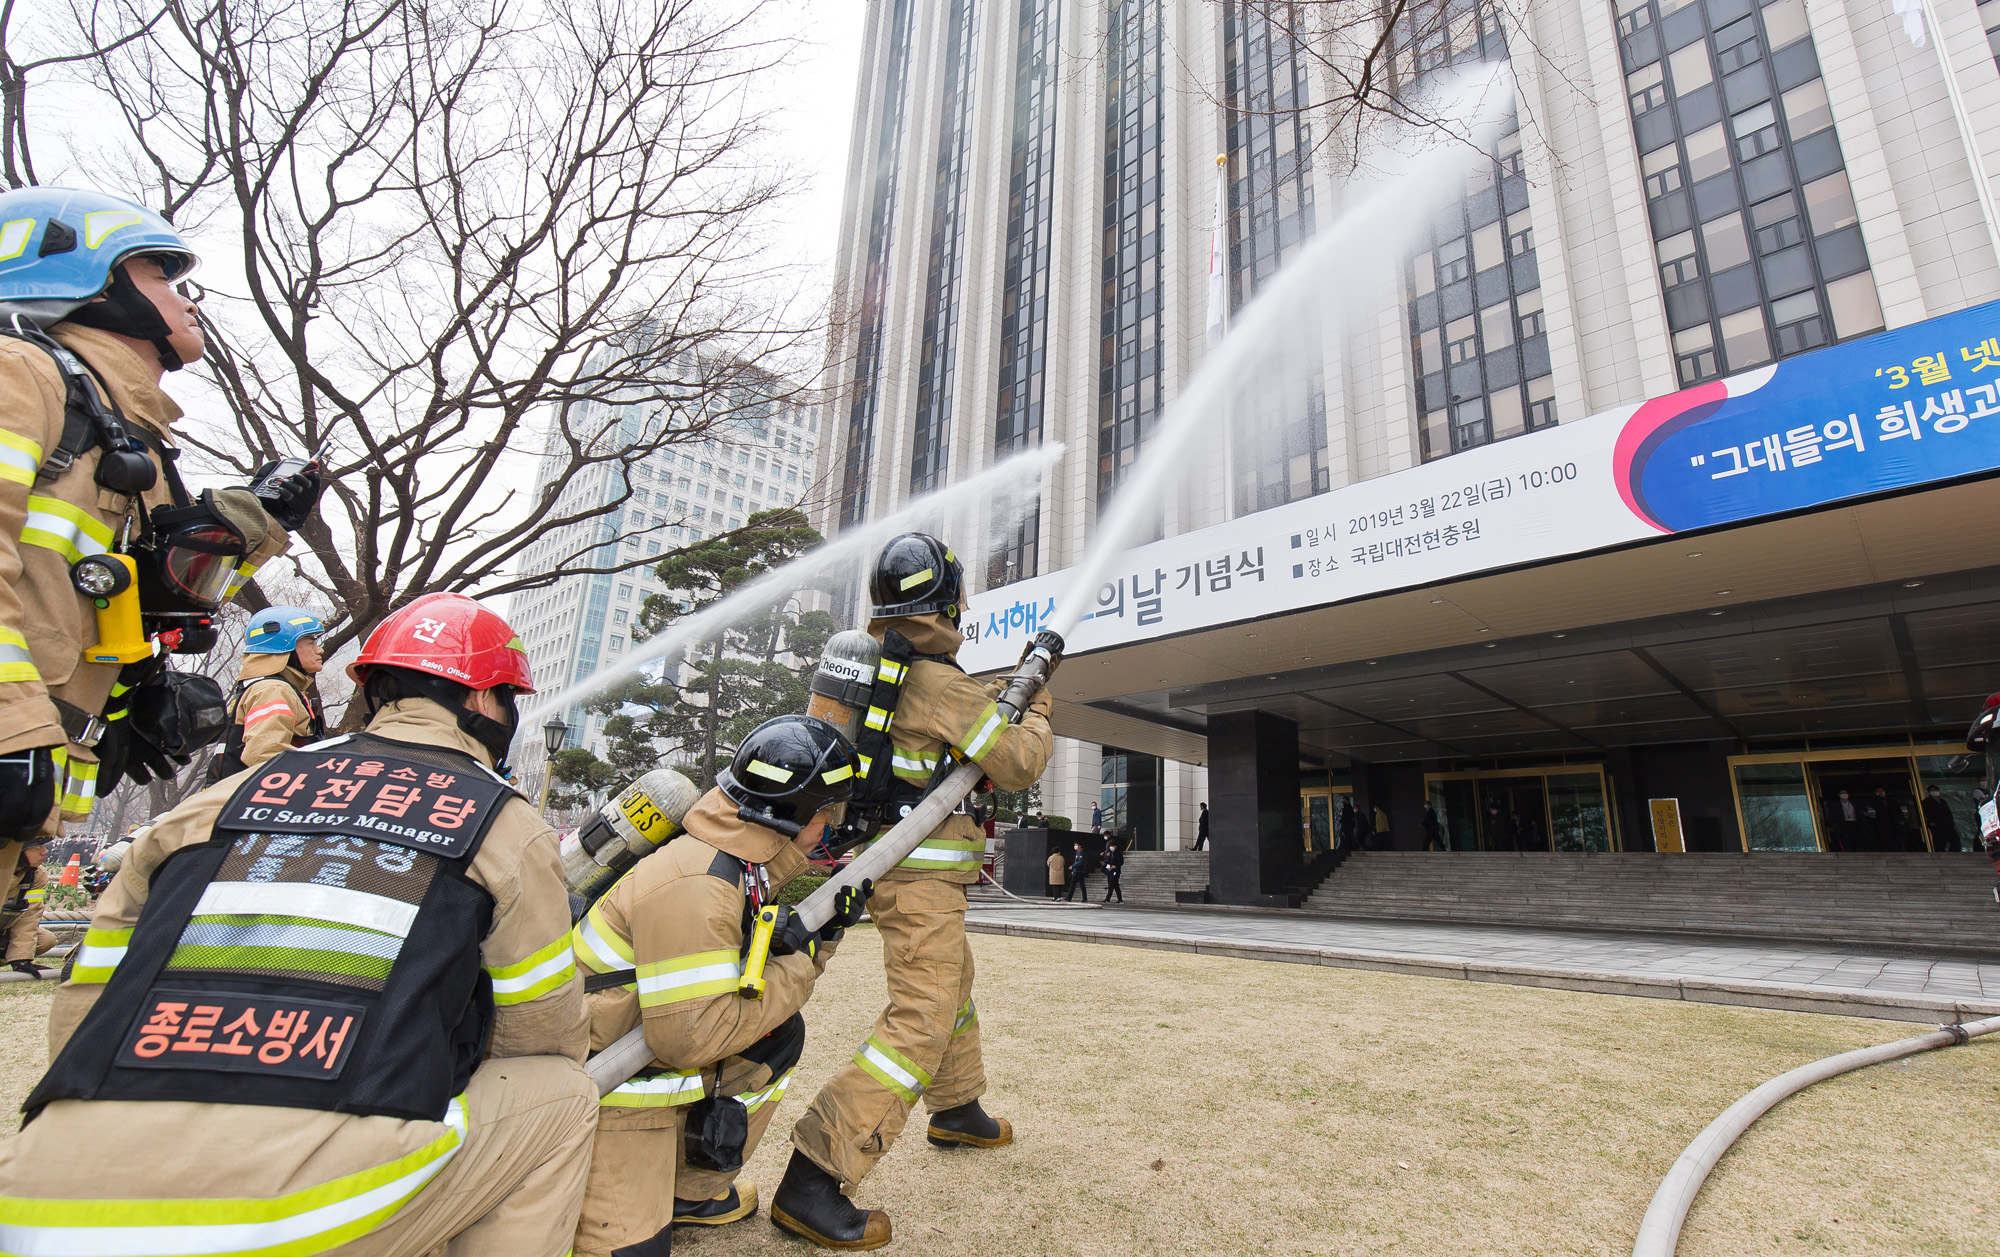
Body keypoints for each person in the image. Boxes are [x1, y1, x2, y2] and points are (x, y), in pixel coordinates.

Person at [0, 593, 598, 1255]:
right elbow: (538, 1028)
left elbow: (86, 1001)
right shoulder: (504, 824)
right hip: (285, 1215)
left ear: (372, 686)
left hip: (48, 1201)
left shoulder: (216, 801)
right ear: (487, 702)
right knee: (564, 1093)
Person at [0, 186, 313, 912]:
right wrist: (13, 728)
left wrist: (258, 525)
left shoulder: (122, 428)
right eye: (159, 277)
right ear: (85, 278)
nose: (185, 300)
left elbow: (156, 591)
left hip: (45, 768)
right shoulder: (22, 375)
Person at [780, 532, 1054, 1250]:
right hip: (920, 875)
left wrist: (993, 698)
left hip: (889, 865)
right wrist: (1040, 702)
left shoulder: (893, 670)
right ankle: (815, 1172)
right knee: (923, 1014)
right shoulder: (935, 682)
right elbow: (1019, 758)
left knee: (952, 984)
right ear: (947, 599)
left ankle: (958, 1107)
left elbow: (947, 732)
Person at [571, 715, 869, 1256]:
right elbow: (689, 1039)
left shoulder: (738, 860)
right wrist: (802, 961)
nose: (831, 825)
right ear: (795, 813)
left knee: (779, 1034)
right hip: (601, 1079)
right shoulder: (700, 882)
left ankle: (690, 1192)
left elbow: (739, 983)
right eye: (829, 811)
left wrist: (820, 939)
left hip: (632, 1048)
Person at [206, 605, 327, 780]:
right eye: (310, 643)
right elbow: (264, 755)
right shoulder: (273, 690)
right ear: (285, 647)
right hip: (254, 801)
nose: (319, 650)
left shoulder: (265, 687)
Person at [2, 841, 53, 976]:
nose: (44, 851)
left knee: (45, 940)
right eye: (37, 847)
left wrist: (21, 959)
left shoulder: (35, 875)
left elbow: (29, 916)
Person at [1922, 785, 1961, 852]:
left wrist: (1951, 822)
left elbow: (1948, 813)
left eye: (1935, 790)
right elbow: (1926, 813)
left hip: (1947, 823)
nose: (1934, 792)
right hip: (1936, 824)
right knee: (1939, 840)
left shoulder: (1942, 801)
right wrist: (1930, 821)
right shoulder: (1926, 802)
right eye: (1932, 791)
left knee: (1954, 839)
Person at [1101, 835, 1124, 904]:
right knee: (1116, 886)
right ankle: (1120, 899)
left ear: (1115, 846)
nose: (1111, 847)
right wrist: (1105, 862)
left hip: (1115, 871)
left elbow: (1121, 862)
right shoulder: (1110, 853)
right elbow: (1109, 860)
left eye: (1112, 846)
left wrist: (1115, 866)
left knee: (1111, 885)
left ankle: (1107, 899)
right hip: (1110, 871)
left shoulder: (1119, 853)